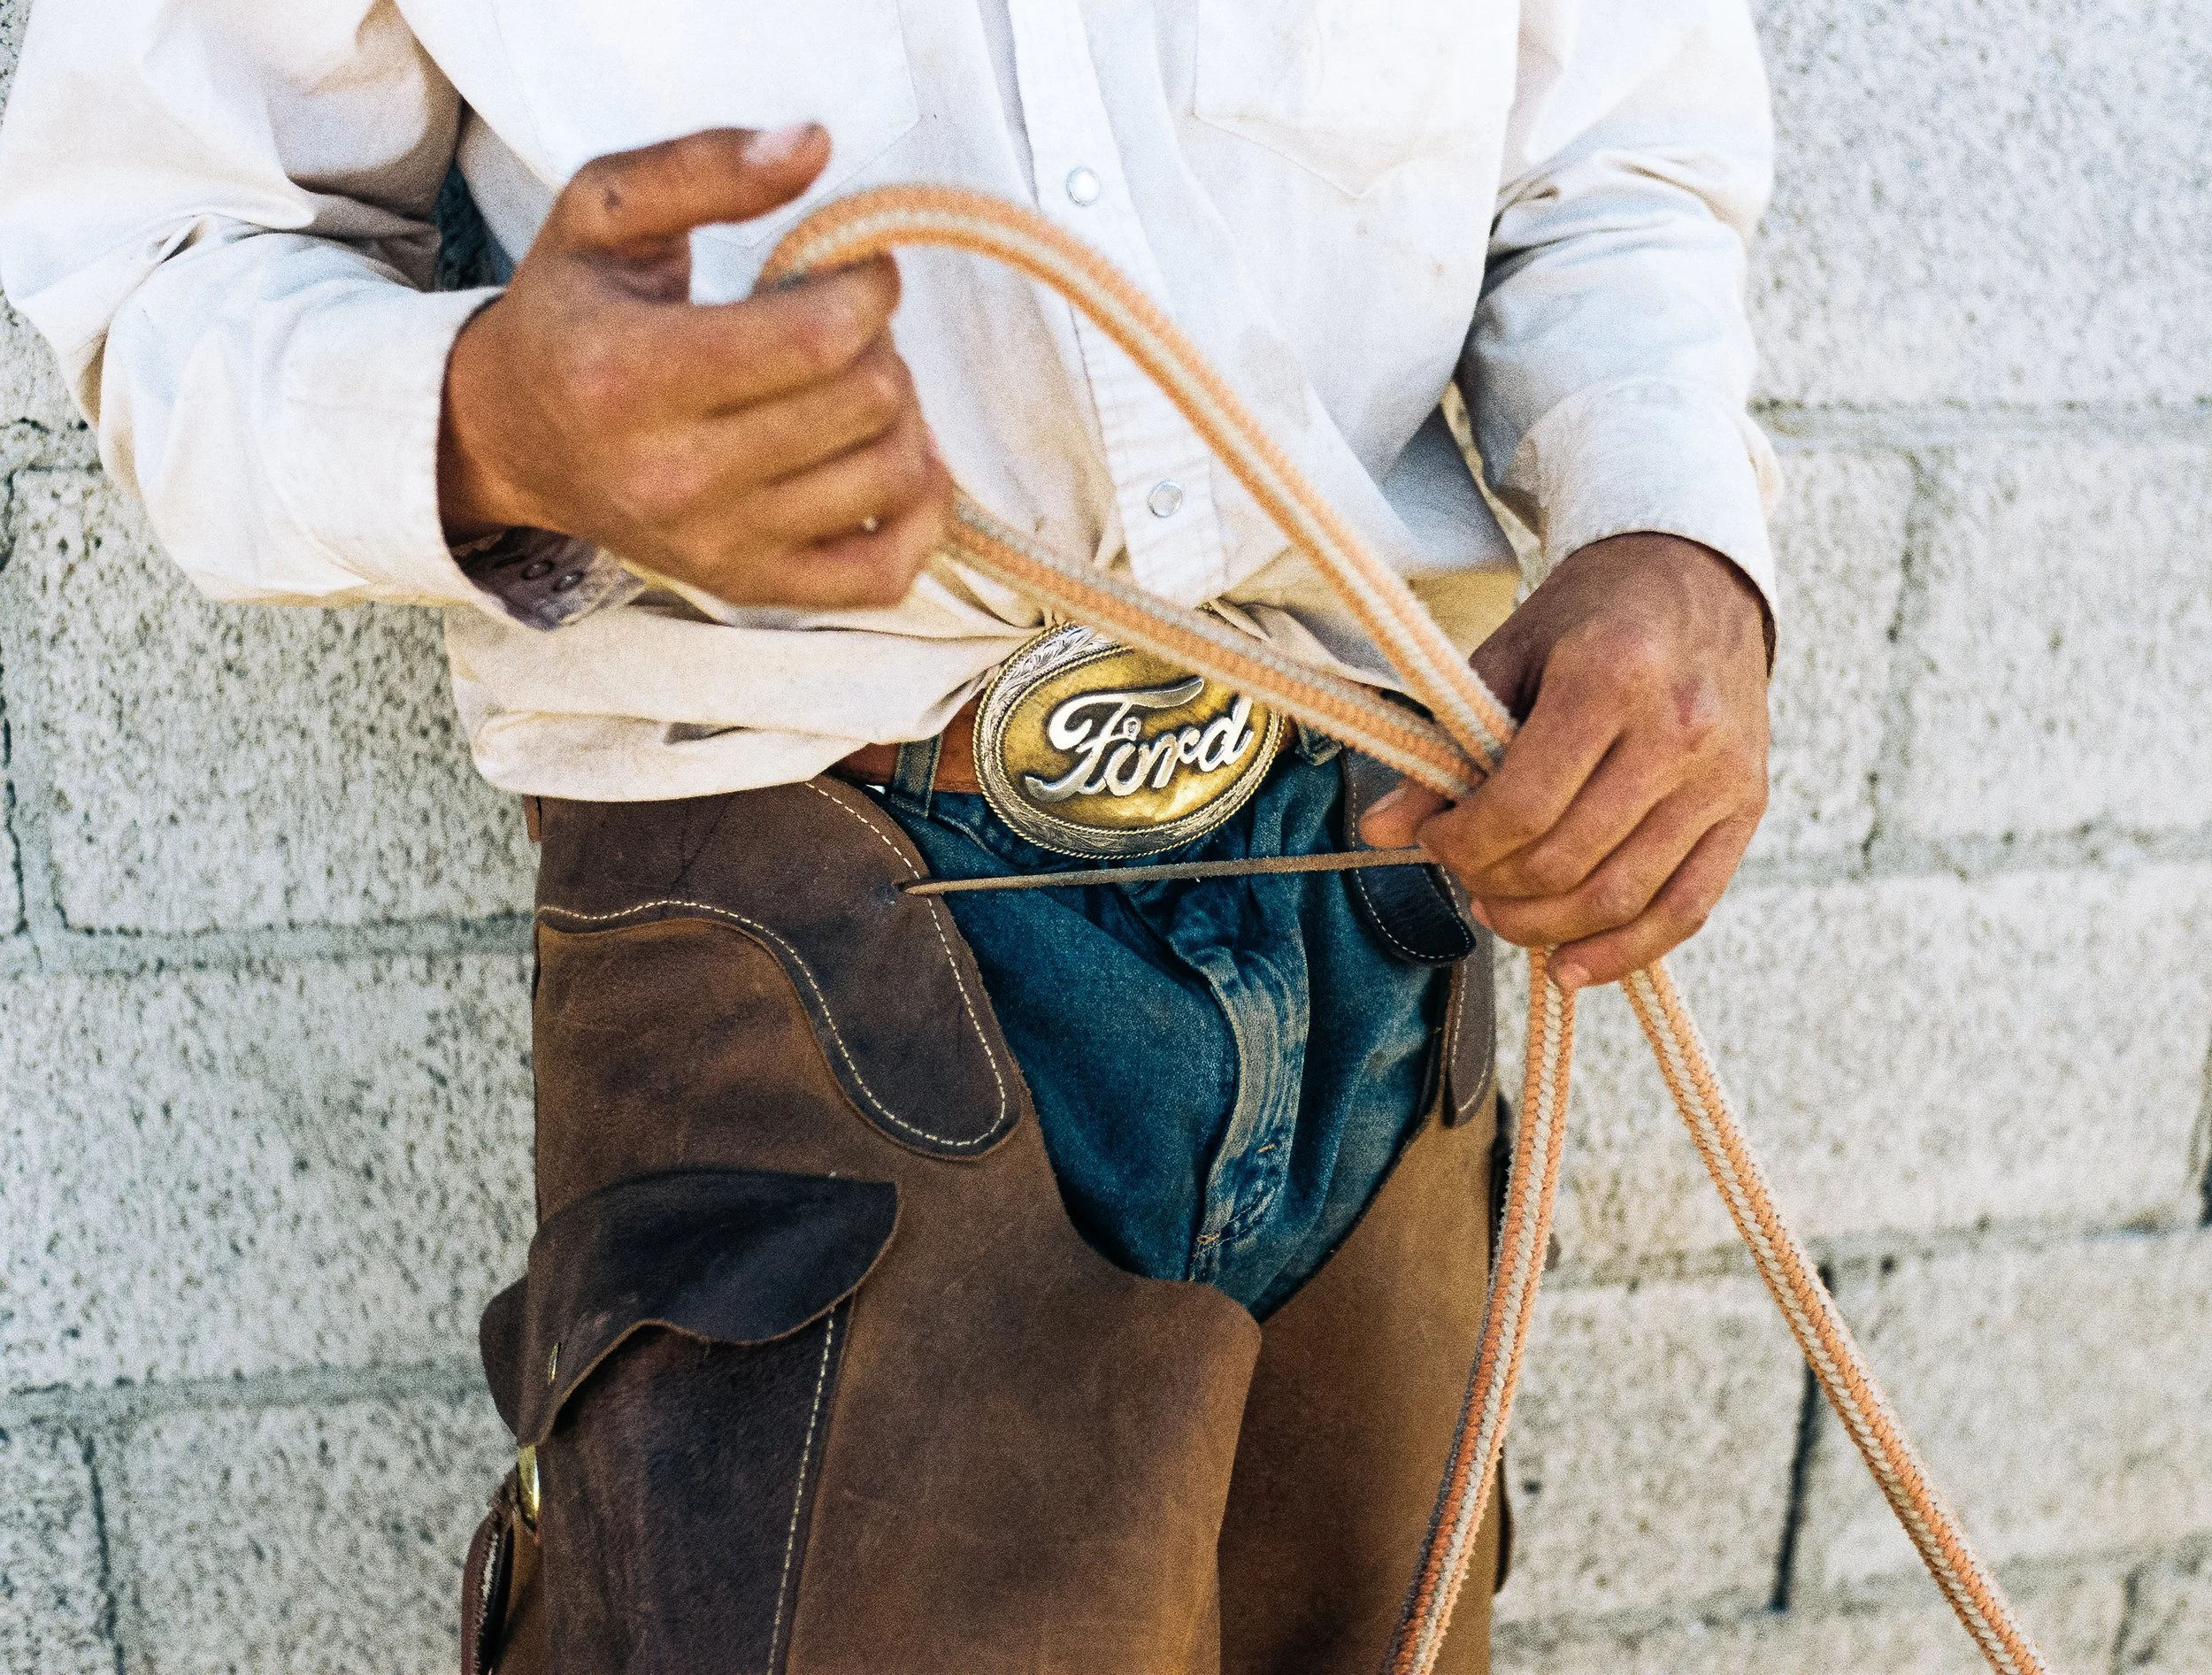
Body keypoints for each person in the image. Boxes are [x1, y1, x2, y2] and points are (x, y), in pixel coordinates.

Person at [0, 2, 1777, 1670]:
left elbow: (1611, 142)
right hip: (811, 916)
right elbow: (161, 254)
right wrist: (493, 424)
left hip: (1380, 884)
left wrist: (1669, 526)